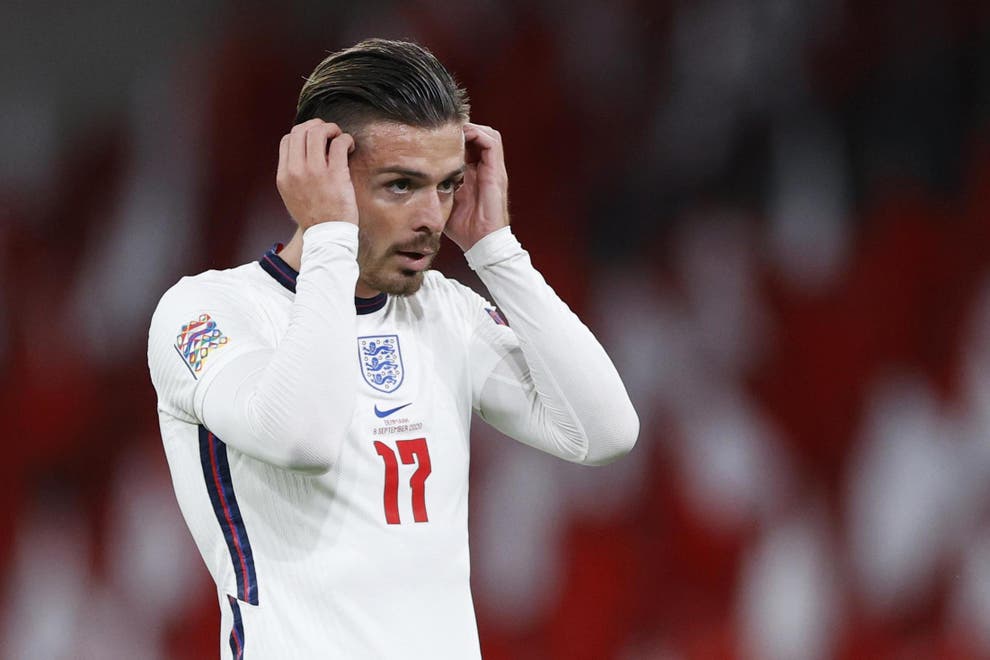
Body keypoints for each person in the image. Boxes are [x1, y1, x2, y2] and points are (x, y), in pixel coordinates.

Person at [148, 38, 638, 659]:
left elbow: (604, 433)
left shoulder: (447, 311)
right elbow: (303, 439)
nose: (432, 217)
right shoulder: (206, 312)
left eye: (447, 186)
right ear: (321, 174)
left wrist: (497, 252)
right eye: (401, 185)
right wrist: (329, 235)